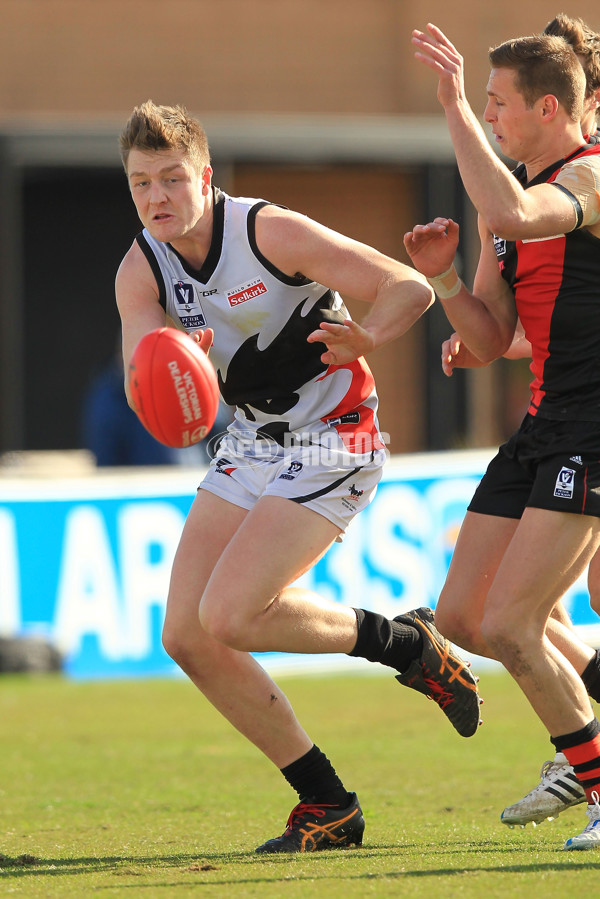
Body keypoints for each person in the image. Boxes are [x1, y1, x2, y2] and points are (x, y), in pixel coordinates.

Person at [115, 101, 481, 853]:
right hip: (251, 440)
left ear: (205, 178)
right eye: (140, 182)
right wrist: (169, 374)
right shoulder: (140, 268)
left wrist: (367, 336)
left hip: (334, 433)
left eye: (171, 179)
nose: (156, 197)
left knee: (232, 614)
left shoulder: (265, 231)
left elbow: (407, 287)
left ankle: (406, 646)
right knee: (186, 633)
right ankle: (328, 802)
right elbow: (141, 378)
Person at [404, 25, 600, 851]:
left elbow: (520, 213)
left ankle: (590, 772)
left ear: (546, 108)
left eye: (496, 104)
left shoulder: (587, 175)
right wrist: (447, 277)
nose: (487, 115)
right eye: (480, 100)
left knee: (518, 623)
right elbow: (488, 339)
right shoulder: (507, 197)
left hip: (592, 428)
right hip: (543, 424)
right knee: (469, 616)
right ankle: (585, 743)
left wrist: (450, 109)